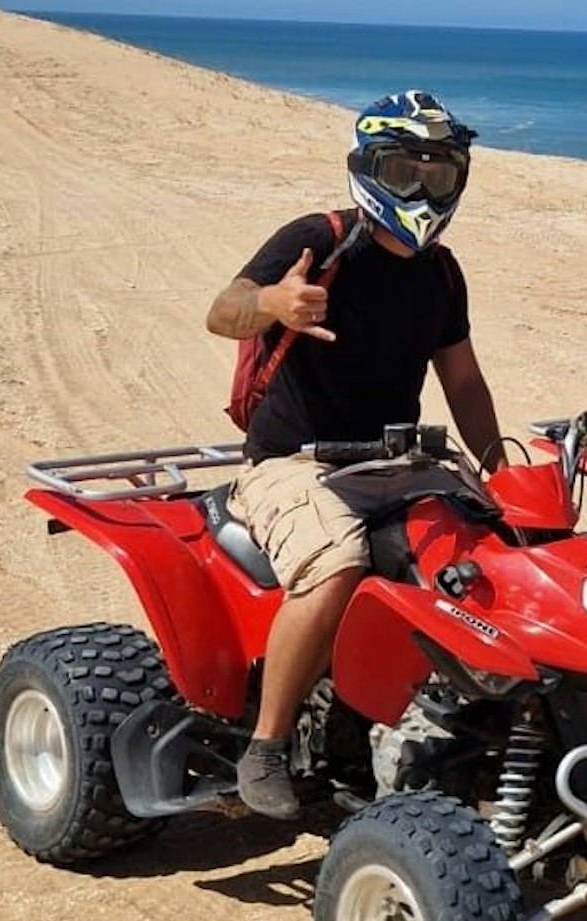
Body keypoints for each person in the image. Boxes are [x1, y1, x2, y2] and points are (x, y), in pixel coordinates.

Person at [205, 89, 505, 819]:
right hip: (294, 464)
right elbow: (222, 310)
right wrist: (275, 304)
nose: (421, 190)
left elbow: (461, 378)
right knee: (336, 561)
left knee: (501, 549)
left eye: (437, 175)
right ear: (368, 168)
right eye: (404, 171)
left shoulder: (441, 273)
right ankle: (267, 746)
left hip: (393, 460)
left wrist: (501, 470)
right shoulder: (321, 237)